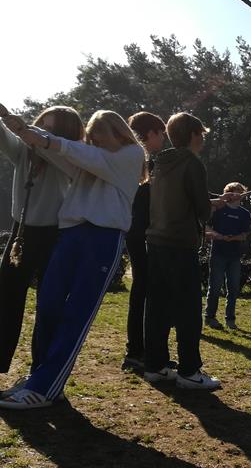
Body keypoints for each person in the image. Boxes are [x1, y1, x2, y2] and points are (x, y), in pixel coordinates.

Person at [0, 110, 145, 409]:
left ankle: (44, 389)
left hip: (103, 238)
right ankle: (38, 378)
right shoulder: (90, 157)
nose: (94, 141)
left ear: (118, 132)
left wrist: (44, 138)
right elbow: (60, 153)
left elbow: (73, 151)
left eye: (100, 134)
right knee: (48, 304)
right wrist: (21, 129)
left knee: (75, 314)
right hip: (70, 233)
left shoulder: (130, 155)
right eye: (91, 136)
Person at [0, 106, 84, 395]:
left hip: (54, 234)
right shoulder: (25, 151)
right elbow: (7, 139)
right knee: (6, 299)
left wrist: (28, 133)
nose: (39, 132)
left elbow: (50, 150)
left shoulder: (70, 154)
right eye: (39, 125)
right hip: (21, 231)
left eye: (49, 129)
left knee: (50, 305)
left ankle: (42, 373)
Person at [143, 112, 227, 390]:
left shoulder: (160, 162)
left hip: (155, 243)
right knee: (189, 309)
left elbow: (180, 201)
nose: (202, 139)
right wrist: (213, 205)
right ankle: (190, 371)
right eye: (200, 134)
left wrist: (215, 201)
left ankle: (155, 366)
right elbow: (201, 211)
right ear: (192, 135)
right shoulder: (192, 162)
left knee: (157, 307)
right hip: (180, 245)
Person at [122, 112, 167, 371]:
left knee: (142, 290)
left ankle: (139, 349)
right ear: (150, 133)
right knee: (143, 291)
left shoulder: (138, 160)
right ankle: (137, 350)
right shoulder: (138, 161)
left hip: (137, 233)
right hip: (142, 235)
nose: (163, 138)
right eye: (161, 133)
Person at [204, 181, 251, 331]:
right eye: (233, 192)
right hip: (218, 253)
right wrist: (218, 235)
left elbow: (244, 235)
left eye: (239, 191)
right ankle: (210, 317)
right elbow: (205, 226)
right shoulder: (219, 209)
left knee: (233, 288)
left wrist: (234, 237)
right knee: (215, 287)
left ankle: (230, 319)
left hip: (234, 256)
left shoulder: (244, 214)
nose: (237, 194)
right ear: (228, 194)